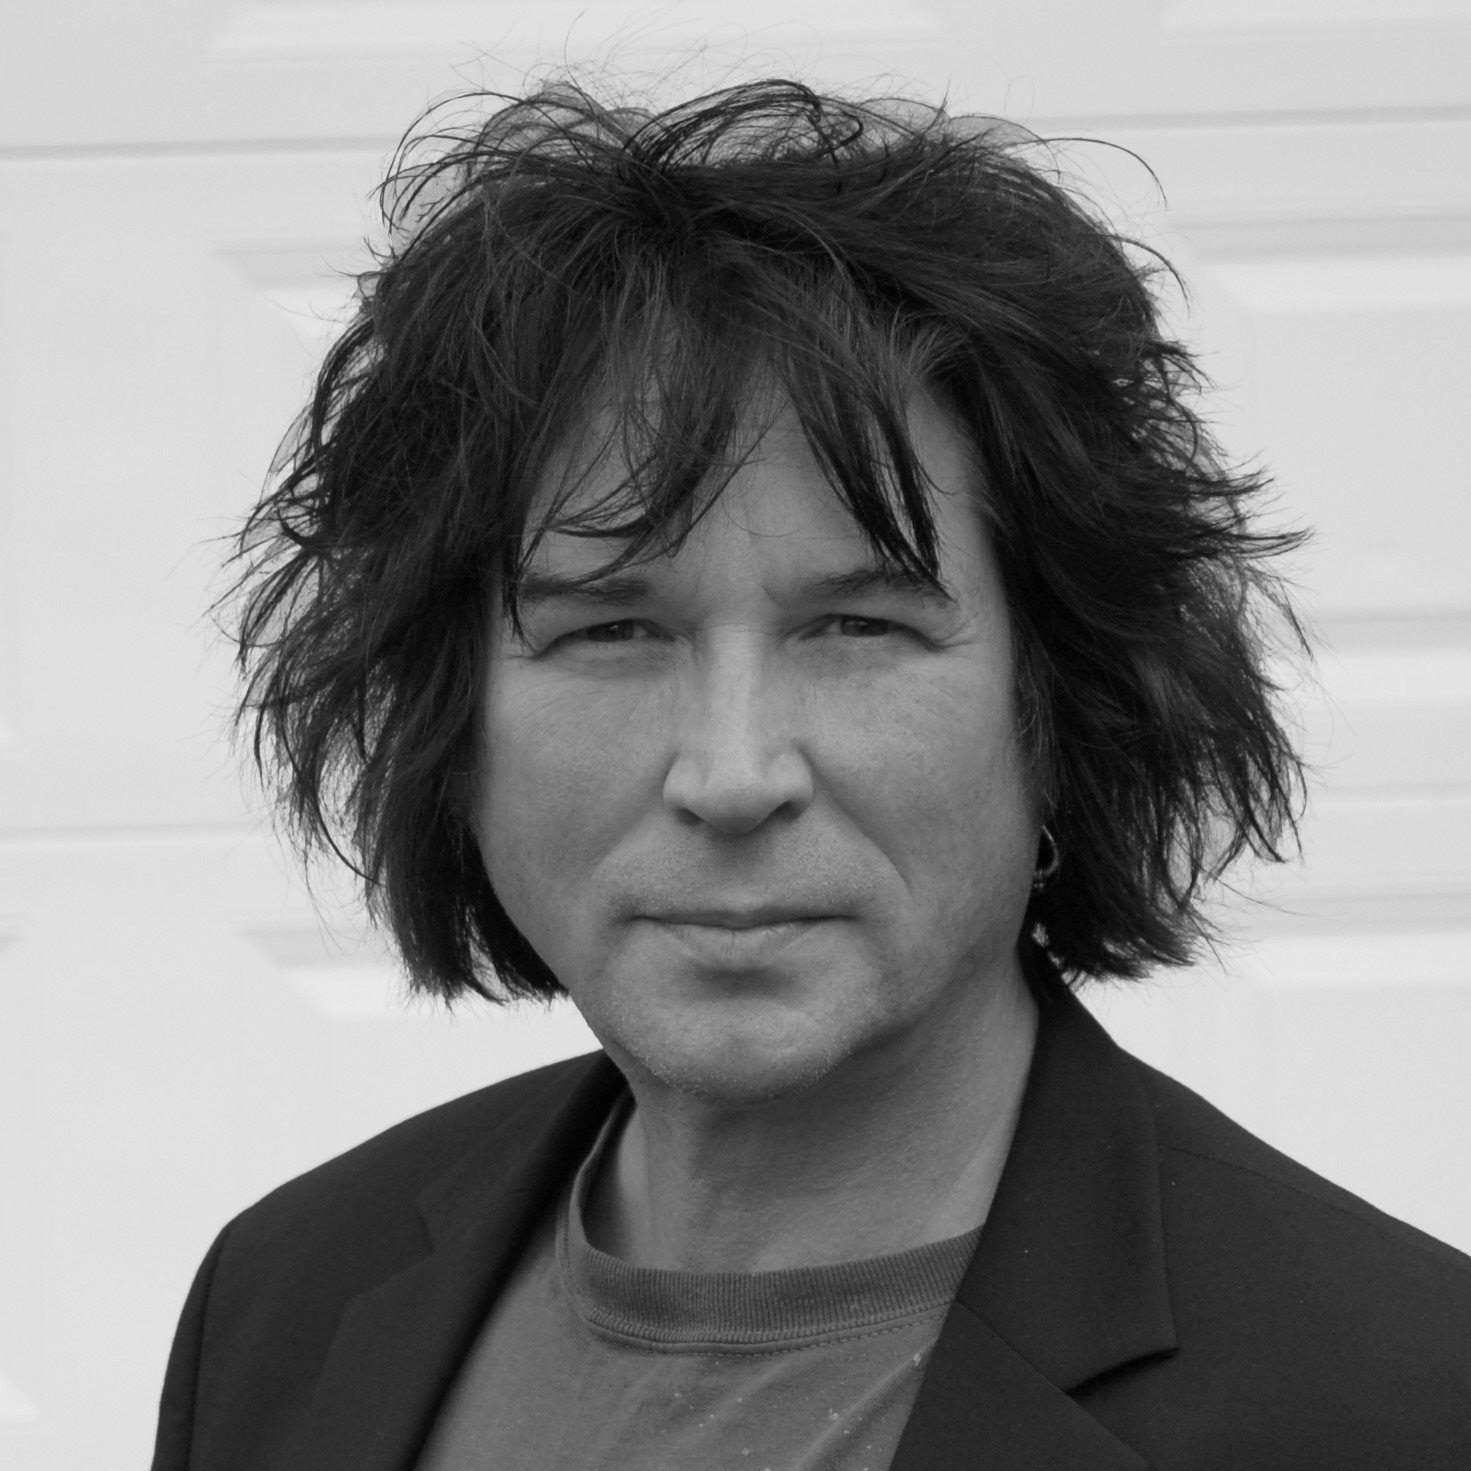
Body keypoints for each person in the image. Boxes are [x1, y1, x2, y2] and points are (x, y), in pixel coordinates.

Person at [151, 76, 1471, 1471]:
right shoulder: (288, 1294)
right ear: (449, 719)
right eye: (613, 631)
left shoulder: (1396, 1400)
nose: (731, 775)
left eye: (856, 628)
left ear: (1064, 701)